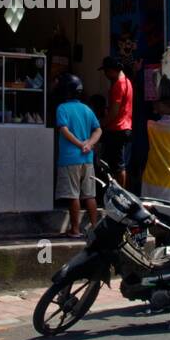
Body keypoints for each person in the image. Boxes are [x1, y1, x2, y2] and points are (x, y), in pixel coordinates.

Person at [55, 73, 102, 238]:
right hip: (87, 159)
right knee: (89, 195)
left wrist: (80, 144)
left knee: (73, 195)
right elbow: (98, 129)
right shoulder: (87, 109)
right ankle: (95, 228)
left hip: (69, 159)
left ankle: (75, 229)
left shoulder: (62, 108)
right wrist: (89, 144)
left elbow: (63, 129)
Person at [99, 55, 134, 187]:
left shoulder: (119, 85)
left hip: (117, 129)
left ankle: (121, 195)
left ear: (112, 70)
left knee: (118, 166)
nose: (105, 74)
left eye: (106, 71)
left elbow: (114, 111)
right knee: (117, 164)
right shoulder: (127, 82)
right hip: (123, 128)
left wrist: (102, 124)